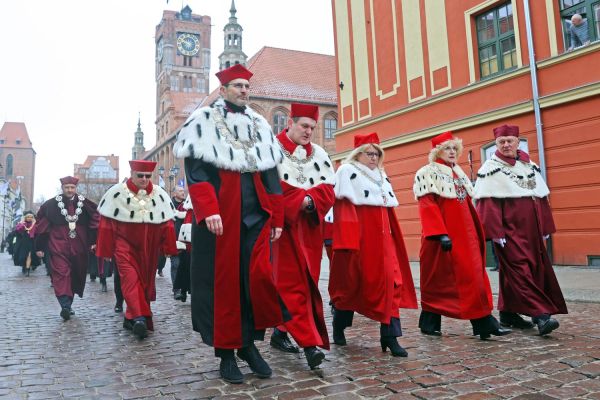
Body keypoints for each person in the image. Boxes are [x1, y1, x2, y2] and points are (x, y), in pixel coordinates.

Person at [173, 64, 287, 384]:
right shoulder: (204, 121)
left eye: (246, 86)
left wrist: (277, 216)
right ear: (223, 90)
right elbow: (196, 173)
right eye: (237, 86)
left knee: (255, 280)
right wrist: (208, 209)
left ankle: (248, 344)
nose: (244, 91)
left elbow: (271, 176)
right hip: (221, 216)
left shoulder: (259, 124)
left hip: (256, 215)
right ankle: (226, 352)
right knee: (224, 286)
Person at [413, 131, 512, 340]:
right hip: (443, 238)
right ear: (437, 151)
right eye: (446, 148)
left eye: (453, 148)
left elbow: (467, 205)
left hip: (466, 237)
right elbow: (427, 205)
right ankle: (434, 321)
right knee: (440, 282)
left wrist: (479, 230)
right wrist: (439, 234)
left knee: (473, 278)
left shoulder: (458, 171)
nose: (451, 152)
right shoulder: (427, 172)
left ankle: (482, 322)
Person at [329, 132, 417, 357]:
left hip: (384, 242)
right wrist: (348, 243)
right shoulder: (347, 172)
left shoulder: (381, 175)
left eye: (377, 153)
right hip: (360, 241)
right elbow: (344, 211)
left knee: (393, 283)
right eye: (369, 153)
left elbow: (386, 211)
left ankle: (390, 336)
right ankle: (339, 326)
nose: (373, 157)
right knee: (351, 287)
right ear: (358, 154)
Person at [474, 124, 567, 335]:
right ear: (496, 144)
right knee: (520, 271)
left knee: (529, 270)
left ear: (517, 142)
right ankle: (541, 315)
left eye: (510, 141)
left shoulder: (528, 165)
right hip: (509, 233)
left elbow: (541, 198)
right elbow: (488, 204)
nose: (506, 145)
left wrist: (544, 227)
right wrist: (496, 233)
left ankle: (508, 314)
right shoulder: (490, 168)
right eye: (501, 142)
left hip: (532, 232)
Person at [270, 103, 335, 369]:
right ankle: (310, 345)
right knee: (290, 286)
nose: (308, 131)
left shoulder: (319, 154)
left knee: (307, 285)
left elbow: (329, 190)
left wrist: (310, 199)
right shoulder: (272, 149)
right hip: (281, 230)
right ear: (290, 122)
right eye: (304, 126)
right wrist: (300, 199)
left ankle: (280, 332)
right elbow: (270, 189)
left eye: (312, 127)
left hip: (310, 230)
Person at [96, 160, 178, 339]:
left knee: (145, 283)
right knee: (131, 279)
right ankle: (140, 318)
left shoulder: (159, 195)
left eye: (147, 176)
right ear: (132, 173)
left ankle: (130, 318)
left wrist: (168, 247)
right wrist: (106, 251)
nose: (144, 179)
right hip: (123, 246)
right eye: (140, 175)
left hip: (149, 248)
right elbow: (106, 225)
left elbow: (167, 225)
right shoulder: (116, 194)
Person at [35, 176, 99, 321]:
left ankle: (68, 305)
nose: (70, 190)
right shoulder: (50, 205)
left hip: (79, 245)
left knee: (75, 274)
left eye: (72, 187)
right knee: (61, 273)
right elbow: (41, 225)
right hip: (58, 245)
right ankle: (64, 305)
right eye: (67, 187)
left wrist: (93, 240)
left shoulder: (85, 203)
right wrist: (39, 246)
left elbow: (96, 220)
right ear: (62, 188)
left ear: (76, 188)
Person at [170, 186, 188, 300]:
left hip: (186, 240)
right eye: (181, 191)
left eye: (183, 191)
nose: (183, 192)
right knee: (175, 265)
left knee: (185, 266)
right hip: (173, 239)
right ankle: (176, 290)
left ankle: (184, 290)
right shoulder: (169, 205)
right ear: (175, 193)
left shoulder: (187, 205)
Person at [13, 211, 42, 276]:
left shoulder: (35, 225)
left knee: (29, 255)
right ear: (25, 217)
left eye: (31, 217)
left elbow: (38, 233)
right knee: (23, 256)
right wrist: (22, 224)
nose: (29, 218)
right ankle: (24, 267)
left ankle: (28, 269)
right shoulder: (21, 224)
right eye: (28, 217)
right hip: (23, 243)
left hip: (31, 242)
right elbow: (17, 231)